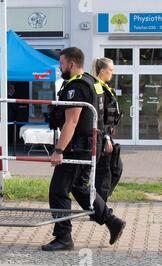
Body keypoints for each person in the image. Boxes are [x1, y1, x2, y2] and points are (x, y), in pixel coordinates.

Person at [44, 47, 126, 251]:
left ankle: (64, 238)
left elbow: (71, 121)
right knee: (79, 188)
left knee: (58, 191)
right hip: (90, 144)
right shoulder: (91, 81)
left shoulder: (77, 86)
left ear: (71, 64)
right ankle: (111, 220)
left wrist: (59, 150)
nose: (60, 67)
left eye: (61, 64)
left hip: (78, 146)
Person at [91, 57, 123, 202]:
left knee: (115, 169)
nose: (113, 73)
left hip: (106, 135)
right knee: (105, 174)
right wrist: (106, 138)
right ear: (103, 71)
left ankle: (98, 204)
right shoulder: (98, 88)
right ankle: (98, 208)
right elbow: (100, 116)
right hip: (102, 137)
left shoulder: (104, 87)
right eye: (111, 70)